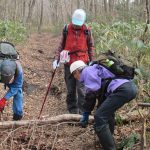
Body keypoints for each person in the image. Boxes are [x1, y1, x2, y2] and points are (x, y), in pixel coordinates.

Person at [70, 60, 137, 150]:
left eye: (74, 74)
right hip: (129, 87)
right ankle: (108, 140)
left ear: (77, 71)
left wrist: (86, 113)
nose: (75, 77)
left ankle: (110, 147)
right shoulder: (94, 69)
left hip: (123, 90)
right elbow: (99, 94)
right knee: (106, 114)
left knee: (99, 116)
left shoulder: (87, 71)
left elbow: (91, 94)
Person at [52, 9, 94, 114]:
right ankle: (72, 111)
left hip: (82, 64)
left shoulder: (87, 30)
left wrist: (92, 61)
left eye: (78, 24)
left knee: (81, 89)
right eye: (75, 23)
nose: (76, 26)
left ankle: (83, 113)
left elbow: (91, 46)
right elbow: (61, 45)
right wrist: (56, 59)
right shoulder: (66, 29)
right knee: (70, 89)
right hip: (68, 63)